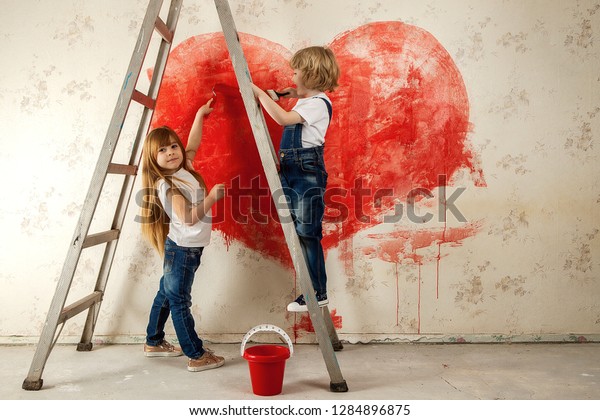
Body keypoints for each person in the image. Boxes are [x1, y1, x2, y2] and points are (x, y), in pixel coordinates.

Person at [139, 97, 226, 372]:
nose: (172, 152)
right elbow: (188, 218)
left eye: (173, 146)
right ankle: (196, 354)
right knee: (179, 300)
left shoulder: (183, 168)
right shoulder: (167, 184)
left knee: (166, 293)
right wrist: (212, 198)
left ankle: (153, 341)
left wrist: (200, 115)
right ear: (153, 159)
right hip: (183, 249)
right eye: (162, 150)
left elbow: (193, 145)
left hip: (185, 248)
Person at [251, 46, 340, 312]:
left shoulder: (318, 104)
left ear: (312, 75)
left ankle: (317, 292)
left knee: (307, 233)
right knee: (298, 231)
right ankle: (313, 289)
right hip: (292, 168)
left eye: (297, 71)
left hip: (306, 171)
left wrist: (257, 93)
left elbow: (282, 118)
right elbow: (294, 95)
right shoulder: (307, 99)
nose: (293, 76)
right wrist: (282, 93)